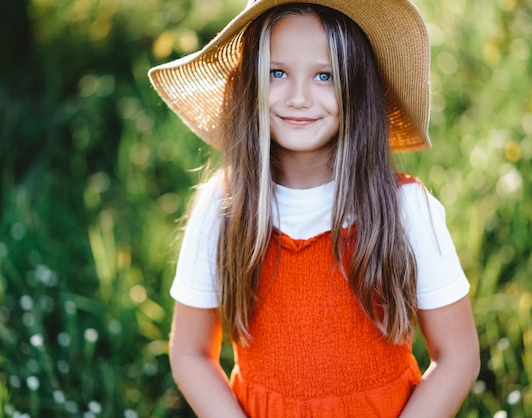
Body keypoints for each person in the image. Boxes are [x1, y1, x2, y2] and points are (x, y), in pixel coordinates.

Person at [148, 1, 480, 417]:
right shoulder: (223, 206)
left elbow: (458, 355)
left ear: (358, 86)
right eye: (277, 73)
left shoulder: (405, 208)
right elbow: (191, 353)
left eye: (325, 75)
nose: (299, 98)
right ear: (251, 83)